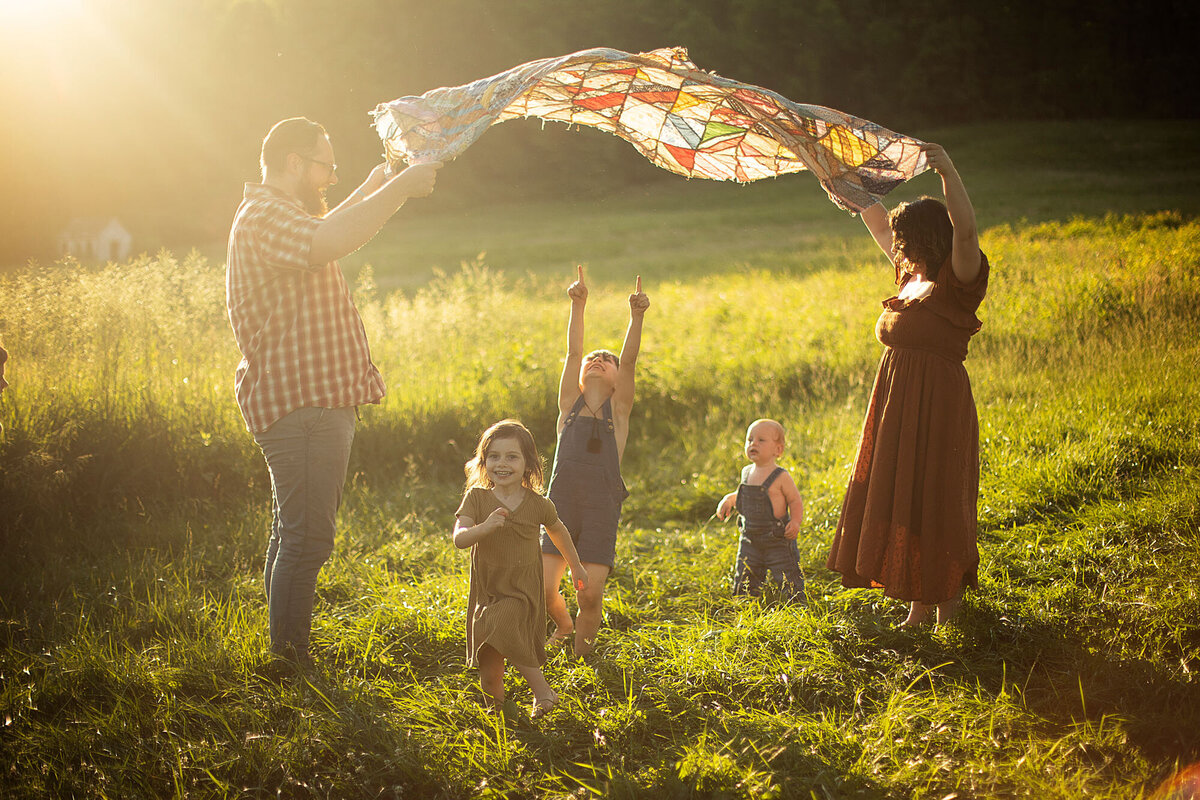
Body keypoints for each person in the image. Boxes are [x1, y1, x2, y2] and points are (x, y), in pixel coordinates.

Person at [226, 117, 441, 668]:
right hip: (303, 407)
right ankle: (290, 660)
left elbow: (328, 226)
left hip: (311, 404)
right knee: (307, 539)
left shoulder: (284, 214)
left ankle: (284, 649)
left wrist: (374, 184)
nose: (329, 177)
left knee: (292, 532)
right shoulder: (266, 215)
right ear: (294, 163)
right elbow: (330, 239)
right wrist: (397, 192)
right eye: (324, 166)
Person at [826, 143, 987, 627]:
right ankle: (918, 603)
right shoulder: (909, 274)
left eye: (903, 238)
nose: (894, 244)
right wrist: (841, 184)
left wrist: (949, 170)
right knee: (903, 491)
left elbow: (967, 229)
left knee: (934, 492)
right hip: (896, 399)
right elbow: (876, 221)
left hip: (938, 401)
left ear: (925, 238)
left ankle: (947, 604)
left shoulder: (958, 275)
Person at [542, 266, 649, 657]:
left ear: (619, 378)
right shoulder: (568, 406)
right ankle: (562, 624)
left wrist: (636, 317)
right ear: (580, 376)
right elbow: (573, 351)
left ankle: (583, 659)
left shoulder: (618, 414)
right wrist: (578, 305)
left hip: (601, 509)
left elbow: (632, 360)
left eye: (608, 359)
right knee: (544, 589)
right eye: (593, 359)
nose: (598, 360)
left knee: (590, 594)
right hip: (559, 509)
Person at [453, 419, 589, 719]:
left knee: (501, 623)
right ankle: (498, 715)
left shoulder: (537, 504)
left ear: (527, 463)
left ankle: (544, 693)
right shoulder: (477, 498)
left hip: (521, 590)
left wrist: (576, 566)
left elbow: (559, 532)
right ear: (484, 461)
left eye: (512, 456)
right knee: (489, 667)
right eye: (494, 456)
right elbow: (460, 539)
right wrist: (485, 527)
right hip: (487, 590)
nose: (502, 463)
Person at [716, 419, 806, 602]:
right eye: (749, 440)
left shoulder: (781, 476)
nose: (753, 444)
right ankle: (745, 601)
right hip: (749, 538)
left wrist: (795, 521)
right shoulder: (747, 472)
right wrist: (729, 499)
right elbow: (742, 493)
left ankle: (795, 602)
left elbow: (795, 500)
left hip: (777, 538)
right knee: (746, 572)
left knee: (787, 572)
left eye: (761, 440)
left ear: (778, 450)